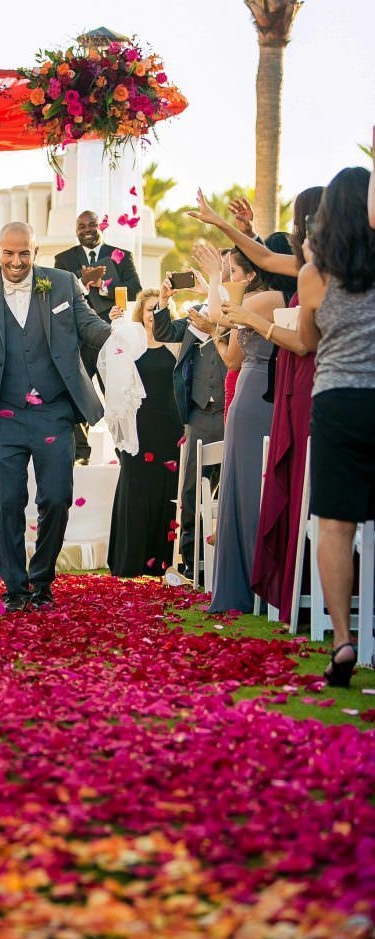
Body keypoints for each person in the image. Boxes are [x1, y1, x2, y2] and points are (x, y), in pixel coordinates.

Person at [0, 221, 135, 612]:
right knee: (9, 503)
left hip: (54, 413)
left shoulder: (61, 284)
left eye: (24, 253)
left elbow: (88, 327)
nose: (16, 261)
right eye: (9, 253)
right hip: (4, 417)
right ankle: (14, 588)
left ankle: (41, 581)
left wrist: (122, 335)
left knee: (58, 500)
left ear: (35, 252)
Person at [221, 187, 324, 623]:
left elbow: (298, 338)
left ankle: (298, 590)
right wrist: (236, 230)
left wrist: (248, 316)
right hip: (289, 384)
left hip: (306, 383)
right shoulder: (309, 271)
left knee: (297, 490)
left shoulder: (316, 275)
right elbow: (267, 260)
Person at [296, 166, 375, 685]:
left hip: (335, 402)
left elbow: (305, 342)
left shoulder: (315, 273)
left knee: (334, 525)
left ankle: (343, 639)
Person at [196, 243, 284, 613]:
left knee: (251, 489)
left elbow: (222, 312)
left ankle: (257, 584)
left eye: (234, 271)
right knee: (235, 487)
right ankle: (234, 588)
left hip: (260, 396)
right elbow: (232, 359)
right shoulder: (249, 302)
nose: (230, 277)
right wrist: (211, 329)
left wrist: (214, 279)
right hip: (243, 393)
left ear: (251, 273)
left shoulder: (270, 298)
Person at [152, 268, 225, 579]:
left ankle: (222, 560)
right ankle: (191, 560)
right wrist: (164, 299)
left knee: (226, 489)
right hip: (197, 416)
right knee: (191, 490)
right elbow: (163, 332)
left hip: (226, 413)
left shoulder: (229, 319)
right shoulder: (194, 321)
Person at [54, 210, 142, 463]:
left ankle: (124, 452)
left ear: (100, 225)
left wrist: (104, 285)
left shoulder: (121, 256)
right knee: (76, 392)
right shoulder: (64, 259)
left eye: (91, 224)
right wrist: (83, 281)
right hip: (78, 340)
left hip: (109, 336)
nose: (87, 229)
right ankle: (79, 453)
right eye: (81, 226)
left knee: (116, 392)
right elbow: (58, 295)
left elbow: (135, 289)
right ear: (76, 229)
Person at [107, 289, 182, 577]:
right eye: (149, 309)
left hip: (168, 427)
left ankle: (164, 561)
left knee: (166, 491)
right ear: (140, 312)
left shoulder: (174, 343)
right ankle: (130, 560)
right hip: (137, 429)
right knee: (135, 489)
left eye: (157, 309)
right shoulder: (129, 345)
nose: (153, 314)